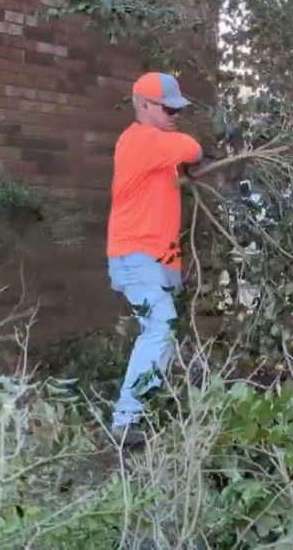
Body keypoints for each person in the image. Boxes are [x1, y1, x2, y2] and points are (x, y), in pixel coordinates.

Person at [106, 71, 203, 436]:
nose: (174, 115)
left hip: (157, 261)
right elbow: (192, 148)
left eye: (177, 109)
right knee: (161, 326)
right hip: (136, 256)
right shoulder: (140, 140)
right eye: (168, 108)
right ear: (144, 106)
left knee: (162, 330)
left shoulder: (156, 148)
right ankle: (126, 420)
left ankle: (150, 408)